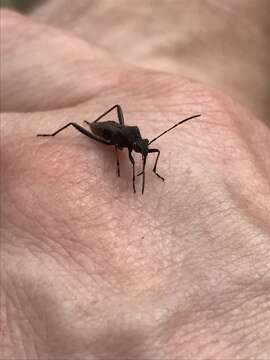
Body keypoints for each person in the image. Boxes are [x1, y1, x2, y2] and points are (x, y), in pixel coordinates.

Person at [1, 5, 270, 359]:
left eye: (140, 149)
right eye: (138, 150)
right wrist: (117, 156)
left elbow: (146, 152)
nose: (142, 151)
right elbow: (120, 145)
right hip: (103, 133)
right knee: (73, 128)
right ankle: (52, 129)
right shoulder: (119, 144)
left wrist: (147, 170)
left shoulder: (139, 144)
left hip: (116, 128)